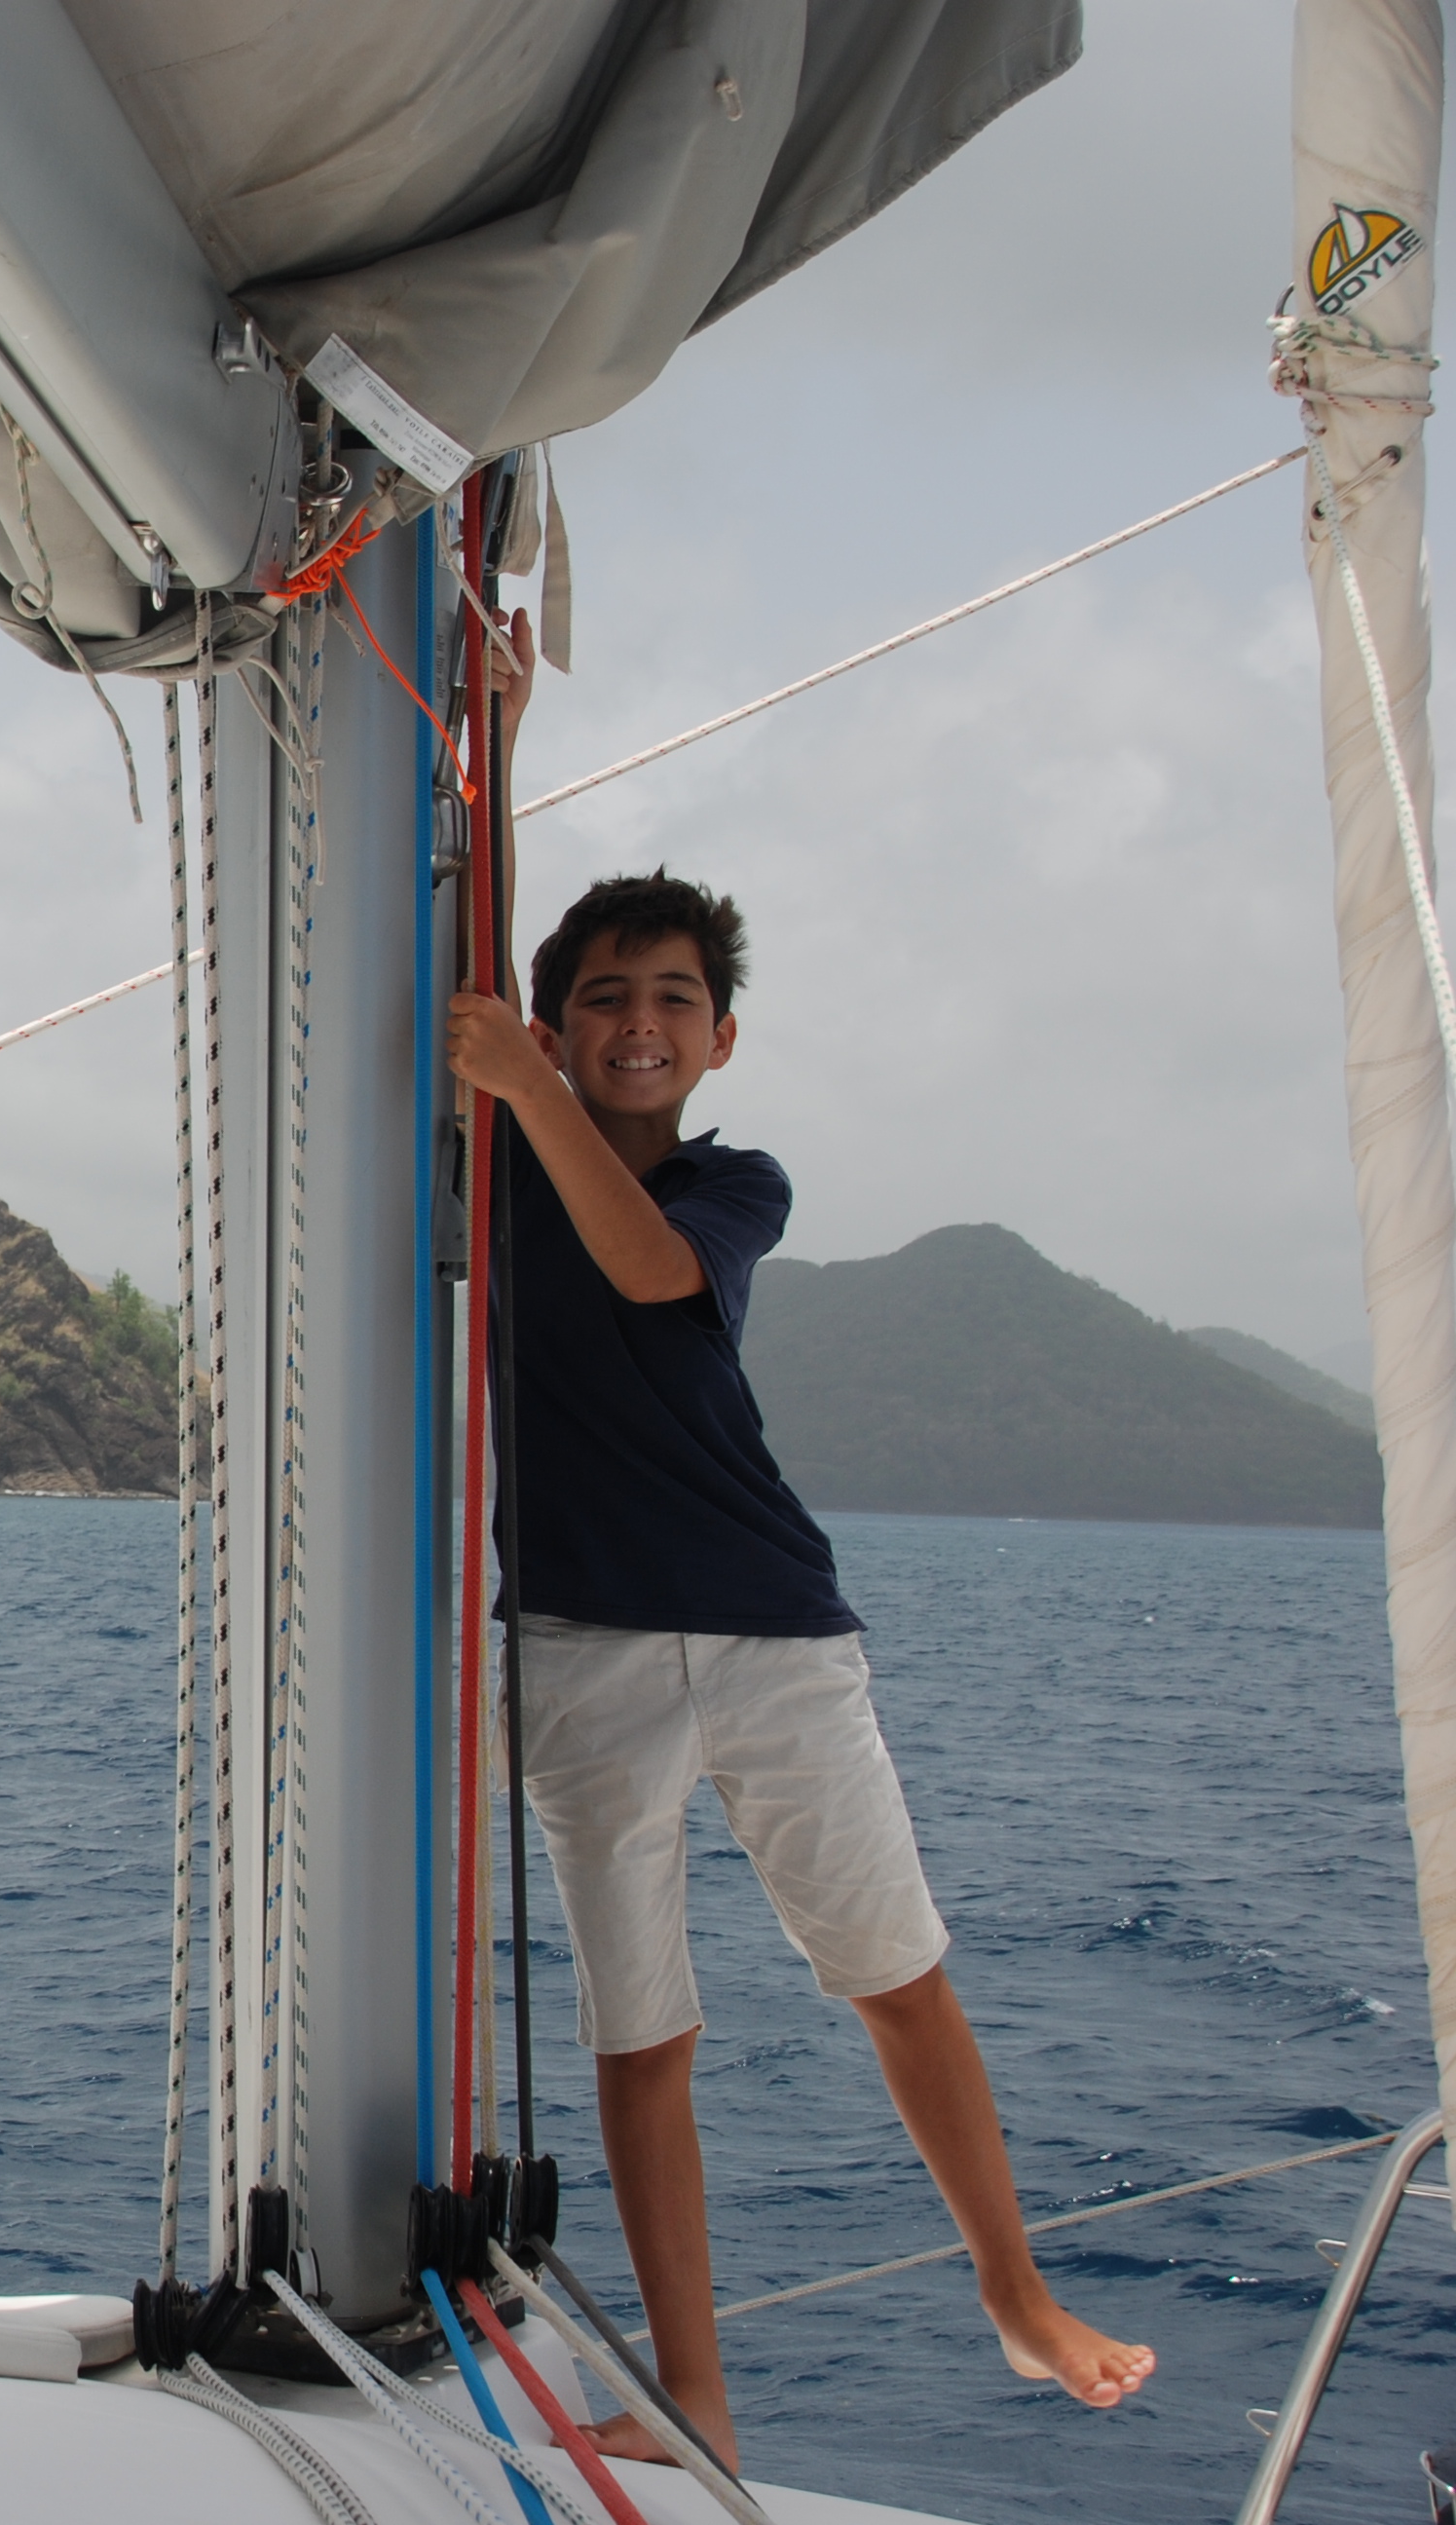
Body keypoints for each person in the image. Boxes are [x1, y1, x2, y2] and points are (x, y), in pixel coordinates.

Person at [442, 619, 1154, 2468]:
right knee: (641, 2037)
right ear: (560, 1021)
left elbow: (646, 1274)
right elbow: (472, 965)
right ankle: (696, 2395)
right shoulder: (498, 1149)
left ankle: (1015, 2294)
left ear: (720, 1038)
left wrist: (527, 1083)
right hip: (578, 1645)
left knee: (893, 1979)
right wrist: (494, 745)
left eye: (673, 998)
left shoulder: (728, 1186)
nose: (639, 1022)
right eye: (603, 996)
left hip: (771, 1631)